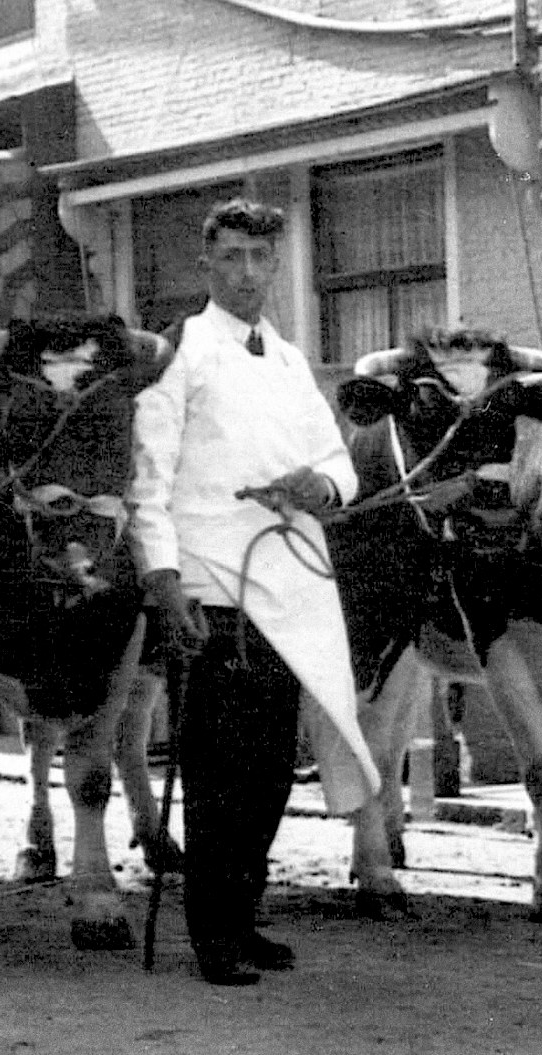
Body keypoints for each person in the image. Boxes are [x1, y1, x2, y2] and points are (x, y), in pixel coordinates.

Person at [128, 197, 379, 986]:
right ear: (206, 265)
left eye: (259, 258)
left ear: (277, 265)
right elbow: (149, 479)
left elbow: (340, 460)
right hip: (213, 590)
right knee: (217, 774)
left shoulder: (290, 360)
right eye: (231, 257)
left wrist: (319, 485)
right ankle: (213, 937)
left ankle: (243, 915)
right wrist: (164, 580)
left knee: (271, 770)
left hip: (290, 588)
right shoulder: (181, 353)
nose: (246, 272)